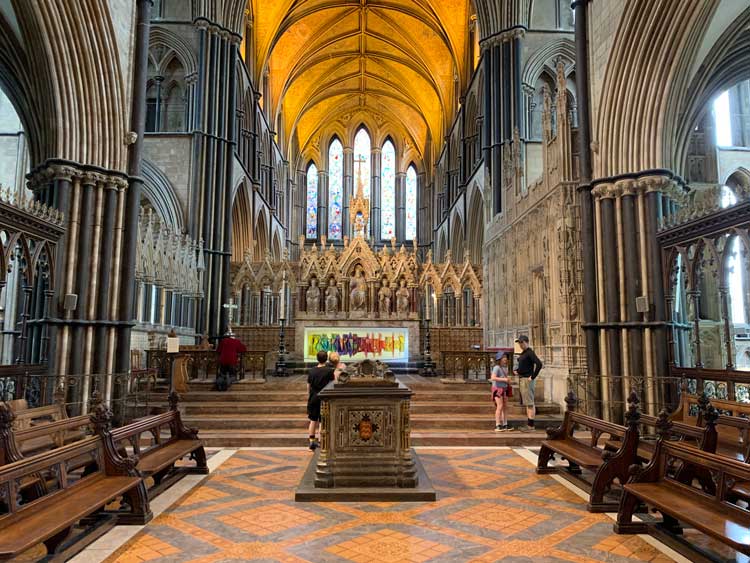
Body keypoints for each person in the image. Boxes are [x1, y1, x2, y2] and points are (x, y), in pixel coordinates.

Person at [307, 350, 336, 450]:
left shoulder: (311, 371)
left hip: (313, 397)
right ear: (326, 359)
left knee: (313, 420)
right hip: (324, 397)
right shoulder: (329, 371)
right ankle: (320, 440)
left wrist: (309, 396)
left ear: (317, 359)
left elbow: (308, 385)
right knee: (322, 420)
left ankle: (311, 441)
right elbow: (332, 384)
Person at [513, 335, 542, 430]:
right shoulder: (524, 353)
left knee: (530, 403)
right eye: (519, 343)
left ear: (527, 342)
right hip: (523, 379)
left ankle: (531, 425)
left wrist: (533, 376)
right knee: (527, 403)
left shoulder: (530, 352)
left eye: (522, 342)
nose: (520, 344)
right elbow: (525, 365)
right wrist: (518, 370)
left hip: (527, 380)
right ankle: (529, 424)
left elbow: (539, 364)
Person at [490, 352, 512, 431]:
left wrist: (508, 381)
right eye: (503, 357)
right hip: (498, 389)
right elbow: (493, 377)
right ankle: (498, 424)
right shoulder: (496, 367)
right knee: (500, 406)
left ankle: (505, 423)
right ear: (499, 359)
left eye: (506, 357)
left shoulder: (505, 367)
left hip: (504, 389)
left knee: (505, 406)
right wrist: (504, 379)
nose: (505, 358)